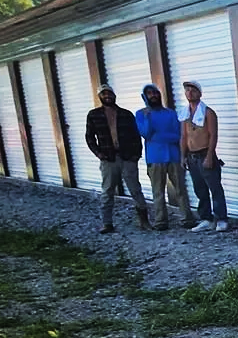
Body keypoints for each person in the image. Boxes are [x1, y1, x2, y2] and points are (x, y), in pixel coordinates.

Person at [84, 83, 150, 233]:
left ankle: (144, 220)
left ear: (114, 95)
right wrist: (98, 153)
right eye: (104, 94)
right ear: (99, 97)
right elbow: (89, 137)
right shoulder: (94, 115)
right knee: (107, 191)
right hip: (108, 158)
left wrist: (136, 155)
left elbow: (136, 136)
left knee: (135, 189)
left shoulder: (126, 114)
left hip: (127, 157)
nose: (107, 96)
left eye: (109, 93)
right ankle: (107, 223)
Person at [135, 84, 196, 231]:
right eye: (149, 93)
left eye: (155, 93)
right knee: (158, 191)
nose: (153, 95)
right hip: (155, 158)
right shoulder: (140, 114)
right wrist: (148, 117)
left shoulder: (170, 113)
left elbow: (178, 135)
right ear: (145, 97)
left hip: (174, 156)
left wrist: (160, 137)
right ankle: (161, 221)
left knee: (181, 189)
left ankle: (187, 218)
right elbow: (146, 133)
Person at [179, 80, 229, 232]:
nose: (190, 93)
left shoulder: (208, 112)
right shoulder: (185, 113)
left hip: (205, 154)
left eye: (193, 90)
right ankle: (206, 218)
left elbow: (213, 135)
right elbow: (183, 136)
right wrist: (183, 156)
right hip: (192, 157)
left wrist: (209, 156)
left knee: (215, 188)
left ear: (199, 93)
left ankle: (221, 218)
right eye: (187, 90)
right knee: (199, 189)